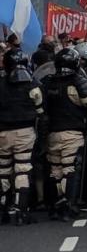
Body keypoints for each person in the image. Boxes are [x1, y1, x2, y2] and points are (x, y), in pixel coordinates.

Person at [42, 48, 87, 220]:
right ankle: (69, 205)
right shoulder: (77, 82)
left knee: (55, 170)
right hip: (73, 132)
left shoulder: (48, 82)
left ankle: (56, 204)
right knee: (70, 169)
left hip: (53, 132)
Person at [0, 49, 44, 226]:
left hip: (2, 133)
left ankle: (2, 210)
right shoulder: (33, 84)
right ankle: (21, 210)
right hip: (25, 132)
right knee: (23, 170)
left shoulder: (1, 83)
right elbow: (41, 111)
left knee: (2, 171)